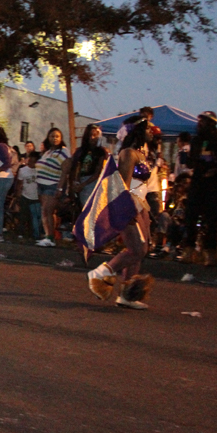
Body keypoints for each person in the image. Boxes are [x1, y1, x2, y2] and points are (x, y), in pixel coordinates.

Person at [83, 119, 156, 309]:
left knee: (140, 251)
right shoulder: (128, 153)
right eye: (147, 128)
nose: (152, 130)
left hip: (141, 204)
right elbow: (122, 185)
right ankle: (101, 273)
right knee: (137, 249)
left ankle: (127, 295)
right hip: (128, 203)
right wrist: (126, 211)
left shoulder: (142, 154)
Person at [178, 111, 217, 265]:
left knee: (211, 220)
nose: (199, 124)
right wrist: (187, 160)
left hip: (212, 185)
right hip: (196, 184)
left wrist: (214, 171)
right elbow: (190, 163)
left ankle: (210, 253)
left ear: (211, 123)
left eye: (202, 122)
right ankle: (189, 251)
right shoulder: (196, 141)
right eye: (198, 121)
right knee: (190, 217)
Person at [35, 127, 70, 247]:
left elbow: (65, 172)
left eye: (57, 136)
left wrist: (60, 188)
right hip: (41, 185)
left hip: (52, 184)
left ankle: (50, 237)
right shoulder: (48, 151)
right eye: (52, 136)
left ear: (61, 138)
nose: (54, 138)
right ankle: (49, 235)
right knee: (46, 212)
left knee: (47, 211)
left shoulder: (64, 152)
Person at [70, 124, 108, 208]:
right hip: (81, 181)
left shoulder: (101, 152)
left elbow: (98, 172)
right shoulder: (80, 151)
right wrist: (76, 183)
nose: (92, 138)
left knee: (93, 209)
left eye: (95, 135)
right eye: (90, 135)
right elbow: (77, 167)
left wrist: (83, 184)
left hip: (93, 182)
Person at [16, 151, 42, 241]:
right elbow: (19, 183)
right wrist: (18, 195)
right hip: (25, 195)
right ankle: (21, 232)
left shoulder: (40, 170)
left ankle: (34, 233)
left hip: (37, 197)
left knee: (34, 217)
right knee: (23, 215)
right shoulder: (23, 170)